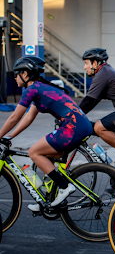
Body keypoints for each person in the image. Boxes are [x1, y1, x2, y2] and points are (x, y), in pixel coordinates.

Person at [0, 56, 93, 210]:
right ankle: (49, 200)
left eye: (16, 74)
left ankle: (65, 187)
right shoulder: (40, 88)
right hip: (82, 125)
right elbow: (28, 117)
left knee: (34, 152)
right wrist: (9, 136)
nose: (15, 77)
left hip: (72, 127)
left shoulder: (32, 89)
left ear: (25, 73)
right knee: (48, 157)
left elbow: (14, 117)